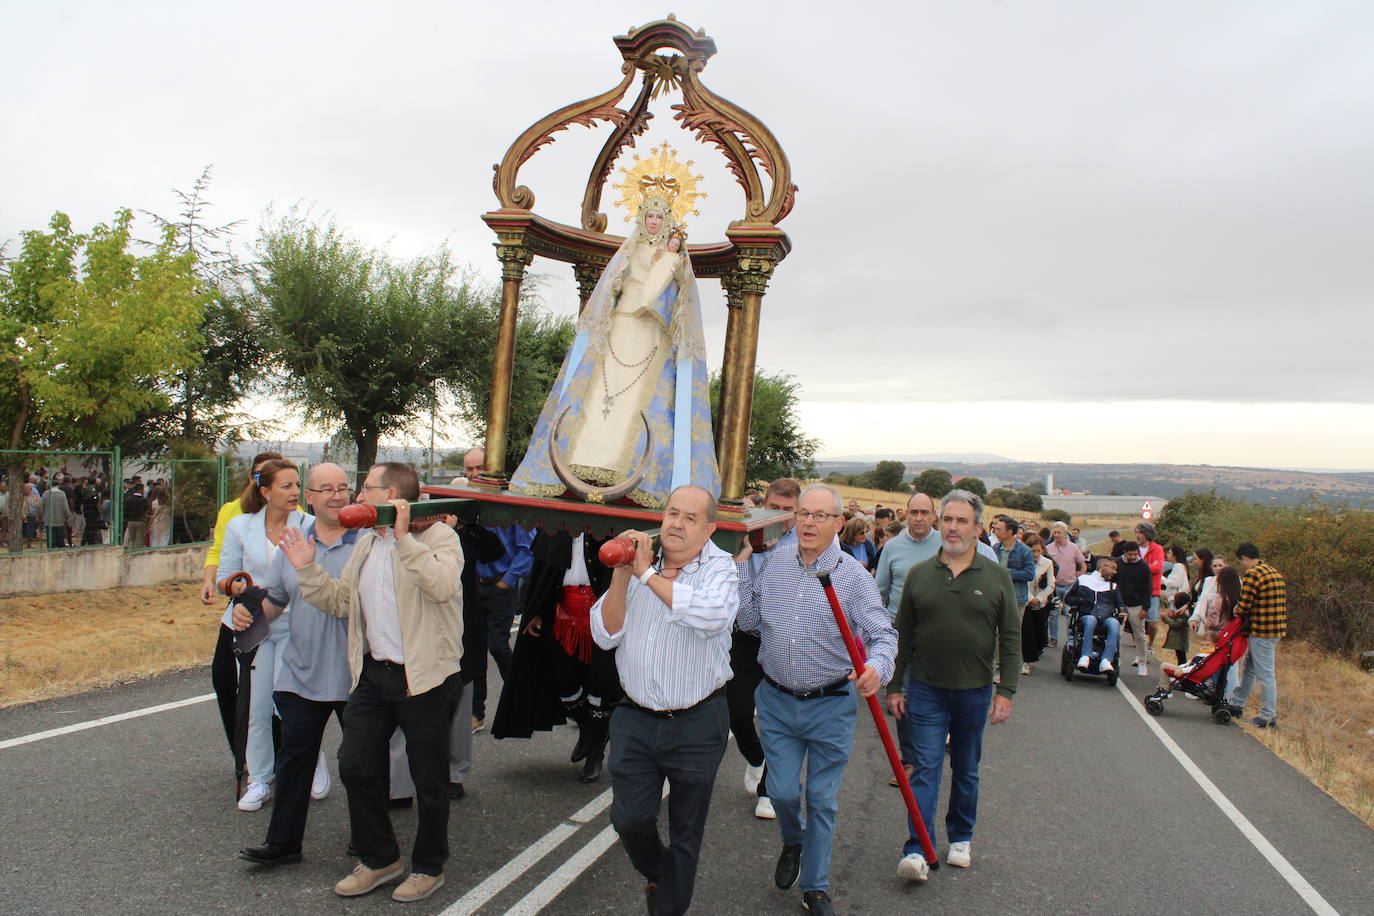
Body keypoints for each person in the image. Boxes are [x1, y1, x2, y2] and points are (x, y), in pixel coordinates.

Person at [286, 462, 464, 903]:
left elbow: (441, 586)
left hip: (423, 679)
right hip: (374, 675)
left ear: (395, 497)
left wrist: (403, 537)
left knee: (429, 780)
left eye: (367, 489)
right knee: (356, 764)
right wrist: (307, 569)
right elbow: (345, 602)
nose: (356, 497)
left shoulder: (439, 536)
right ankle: (380, 857)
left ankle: (429, 866)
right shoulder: (365, 542)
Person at [734, 484, 896, 916]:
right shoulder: (774, 564)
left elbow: (883, 635)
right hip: (777, 702)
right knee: (784, 793)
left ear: (839, 524)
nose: (808, 522)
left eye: (820, 516)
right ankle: (794, 840)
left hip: (831, 705)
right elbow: (748, 621)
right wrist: (740, 570)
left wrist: (876, 667)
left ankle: (816, 886)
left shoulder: (853, 576)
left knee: (822, 798)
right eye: (804, 513)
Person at [510, 206, 720, 508]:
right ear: (641, 219)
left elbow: (658, 295)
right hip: (620, 325)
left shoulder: (675, 258)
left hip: (651, 329)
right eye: (650, 216)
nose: (654, 222)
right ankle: (584, 460)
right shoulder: (630, 249)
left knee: (643, 402)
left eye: (660, 218)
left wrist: (671, 256)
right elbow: (611, 287)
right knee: (599, 393)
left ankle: (632, 469)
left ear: (668, 222)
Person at [591, 485, 738, 916]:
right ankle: (662, 872)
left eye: (690, 518)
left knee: (686, 830)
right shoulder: (639, 565)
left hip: (697, 721)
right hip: (636, 717)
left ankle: (669, 904)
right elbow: (605, 634)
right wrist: (622, 573)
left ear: (710, 528)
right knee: (629, 820)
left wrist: (644, 575)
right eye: (673, 513)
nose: (676, 523)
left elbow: (710, 617)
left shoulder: (722, 568)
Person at [887, 489, 1018, 883]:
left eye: (962, 521)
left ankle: (960, 837)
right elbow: (904, 635)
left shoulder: (996, 577)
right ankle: (918, 848)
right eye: (948, 520)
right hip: (925, 688)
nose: (953, 527)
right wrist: (895, 685)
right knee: (924, 767)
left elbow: (1010, 638)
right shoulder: (920, 574)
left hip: (974, 690)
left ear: (978, 529)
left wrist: (1006, 691)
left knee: (965, 768)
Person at [233, 463, 356, 866]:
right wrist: (249, 614)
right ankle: (283, 843)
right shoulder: (293, 543)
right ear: (311, 498)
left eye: (343, 488)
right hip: (302, 672)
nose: (337, 495)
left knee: (360, 766)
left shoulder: (369, 542)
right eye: (326, 489)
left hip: (357, 676)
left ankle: (368, 843)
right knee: (294, 761)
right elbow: (276, 600)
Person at [491, 524, 619, 783]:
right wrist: (536, 611)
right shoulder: (555, 531)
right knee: (563, 680)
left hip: (600, 619)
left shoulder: (608, 532)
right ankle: (587, 728)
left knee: (599, 685)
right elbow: (542, 573)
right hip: (563, 617)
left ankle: (595, 753)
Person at [220, 459, 306, 812]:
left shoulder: (310, 526)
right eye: (286, 486)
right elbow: (223, 577)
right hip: (255, 626)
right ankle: (259, 779)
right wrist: (236, 592)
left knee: (294, 705)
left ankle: (308, 765)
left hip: (298, 627)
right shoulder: (241, 526)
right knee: (257, 705)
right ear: (265, 490)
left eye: (297, 485)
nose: (295, 492)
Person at [732, 477, 800, 820]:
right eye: (774, 507)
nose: (781, 515)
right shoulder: (747, 531)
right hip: (744, 637)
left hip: (782, 639)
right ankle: (756, 758)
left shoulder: (802, 543)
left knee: (779, 719)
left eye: (788, 510)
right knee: (738, 712)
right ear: (763, 506)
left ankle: (770, 789)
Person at [875, 492, 941, 785]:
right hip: (899, 632)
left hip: (939, 634)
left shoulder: (946, 545)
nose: (918, 518)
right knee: (901, 696)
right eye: (913, 512)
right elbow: (880, 592)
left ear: (933, 515)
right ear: (906, 514)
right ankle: (910, 760)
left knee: (933, 696)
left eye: (924, 512)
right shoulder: (893, 547)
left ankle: (931, 753)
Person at [1225, 543, 1287, 728]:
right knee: (1250, 668)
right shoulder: (1272, 571)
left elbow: (1244, 605)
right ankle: (1237, 703)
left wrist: (1235, 609)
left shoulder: (1253, 574)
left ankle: (1268, 716)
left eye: (1241, 561)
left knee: (1265, 674)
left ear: (1244, 557)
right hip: (1274, 629)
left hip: (1261, 630)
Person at [1066, 557, 1125, 672]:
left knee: (1114, 623)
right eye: (1112, 568)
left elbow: (1120, 604)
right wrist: (1081, 601)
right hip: (1087, 615)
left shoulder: (1112, 586)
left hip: (1106, 617)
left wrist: (1123, 612)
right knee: (1091, 619)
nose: (1115, 572)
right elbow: (1068, 598)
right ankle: (1085, 655)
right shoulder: (1083, 580)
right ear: (1102, 568)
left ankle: (1106, 660)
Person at [1044, 522, 1085, 648]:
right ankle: (1053, 639)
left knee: (1069, 612)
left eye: (1059, 532)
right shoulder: (1049, 548)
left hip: (1070, 585)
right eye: (1054, 532)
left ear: (1065, 534)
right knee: (1053, 613)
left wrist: (1079, 576)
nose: (1056, 535)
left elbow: (1083, 564)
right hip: (1054, 586)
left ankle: (1071, 639)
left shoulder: (1073, 547)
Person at [1115, 542, 1153, 676]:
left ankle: (1142, 661)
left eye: (1135, 554)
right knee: (1116, 633)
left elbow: (1148, 588)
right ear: (1125, 552)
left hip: (1136, 604)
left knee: (1140, 635)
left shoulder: (1143, 566)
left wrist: (1146, 607)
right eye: (1130, 554)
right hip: (1120, 604)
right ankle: (1116, 659)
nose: (1133, 557)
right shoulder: (1118, 563)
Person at [1023, 534, 1056, 675]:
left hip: (1041, 603)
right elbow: (1022, 582)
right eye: (1033, 551)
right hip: (1025, 601)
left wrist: (1040, 598)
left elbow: (1051, 584)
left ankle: (1037, 649)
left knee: (1039, 634)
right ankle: (1026, 662)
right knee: (1027, 633)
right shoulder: (1023, 562)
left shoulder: (1048, 563)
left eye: (1038, 551)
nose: (1036, 554)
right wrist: (1030, 598)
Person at [1136, 522, 1166, 657]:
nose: (1137, 535)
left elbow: (1158, 567)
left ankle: (1150, 644)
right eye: (1136, 532)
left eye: (1140, 532)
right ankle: (1140, 646)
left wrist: (1140, 567)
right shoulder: (1134, 548)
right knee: (1137, 621)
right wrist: (1148, 566)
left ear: (1147, 534)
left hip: (1152, 591)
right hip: (1135, 591)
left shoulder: (1158, 549)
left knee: (1153, 622)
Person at [1161, 592, 1193, 667]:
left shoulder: (1183, 614)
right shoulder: (1181, 612)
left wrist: (1165, 618)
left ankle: (1181, 671)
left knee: (1181, 658)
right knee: (1180, 657)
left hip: (1180, 641)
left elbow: (1176, 625)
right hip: (1179, 641)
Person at [40, 478, 72, 549]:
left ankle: (50, 552)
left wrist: (41, 516)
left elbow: (41, 507)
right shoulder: (62, 494)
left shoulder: (45, 494)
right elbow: (65, 507)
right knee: (60, 540)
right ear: (58, 485)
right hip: (60, 520)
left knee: (50, 540)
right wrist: (67, 516)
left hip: (48, 520)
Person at [122, 483, 148, 548]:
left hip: (131, 521)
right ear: (141, 490)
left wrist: (127, 519)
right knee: (139, 539)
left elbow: (126, 510)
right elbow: (145, 510)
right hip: (140, 521)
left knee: (131, 539)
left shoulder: (129, 499)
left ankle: (131, 551)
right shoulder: (143, 500)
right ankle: (137, 552)